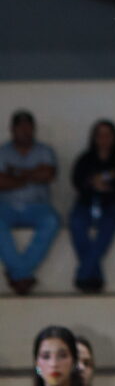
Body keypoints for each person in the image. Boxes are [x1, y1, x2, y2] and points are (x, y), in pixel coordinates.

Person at [69, 119, 115, 292]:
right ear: (94, 137)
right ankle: (93, 275)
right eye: (100, 135)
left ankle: (84, 274)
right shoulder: (85, 159)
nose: (104, 139)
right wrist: (92, 183)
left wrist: (105, 185)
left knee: (108, 224)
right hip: (87, 205)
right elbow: (77, 181)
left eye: (108, 135)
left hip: (114, 207)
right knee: (76, 222)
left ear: (114, 137)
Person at [0, 110, 60, 294]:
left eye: (28, 127)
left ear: (34, 129)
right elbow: (1, 182)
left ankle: (18, 274)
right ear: (12, 129)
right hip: (7, 207)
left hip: (38, 207)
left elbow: (48, 175)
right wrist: (32, 174)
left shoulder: (44, 151)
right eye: (20, 127)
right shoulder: (3, 152)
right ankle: (23, 274)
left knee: (51, 221)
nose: (24, 131)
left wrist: (15, 174)